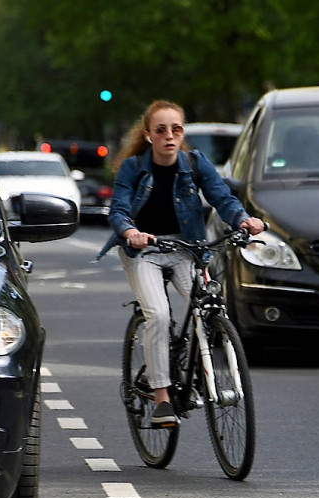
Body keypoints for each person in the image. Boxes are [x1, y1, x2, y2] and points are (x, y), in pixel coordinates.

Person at [97, 100, 264, 427]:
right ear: (148, 135)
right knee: (158, 314)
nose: (169, 136)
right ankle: (161, 398)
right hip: (144, 250)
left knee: (207, 306)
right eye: (161, 130)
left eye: (176, 129)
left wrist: (243, 220)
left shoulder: (195, 163)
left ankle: (200, 370)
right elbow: (118, 210)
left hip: (186, 247)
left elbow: (222, 198)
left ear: (182, 133)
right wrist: (131, 231)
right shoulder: (134, 167)